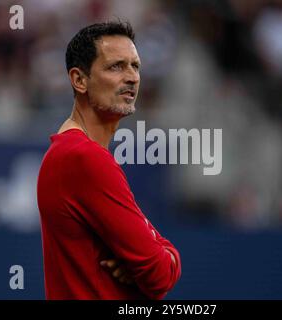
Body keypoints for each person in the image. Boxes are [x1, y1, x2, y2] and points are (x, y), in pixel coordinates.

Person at [37, 22, 181, 300]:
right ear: (79, 80)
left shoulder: (67, 153)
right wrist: (167, 256)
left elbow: (151, 263)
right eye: (116, 66)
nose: (132, 77)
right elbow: (160, 273)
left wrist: (147, 258)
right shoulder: (84, 159)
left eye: (135, 66)